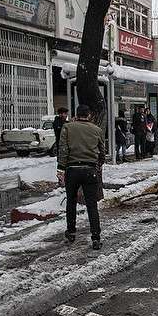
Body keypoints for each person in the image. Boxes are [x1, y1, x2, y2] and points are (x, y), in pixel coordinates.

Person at [57, 104, 106, 250]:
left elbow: (63, 149)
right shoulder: (97, 130)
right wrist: (98, 164)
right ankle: (96, 237)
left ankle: (71, 232)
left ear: (77, 114)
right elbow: (102, 151)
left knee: (71, 202)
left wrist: (61, 169)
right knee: (92, 205)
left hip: (72, 170)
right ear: (89, 115)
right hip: (90, 170)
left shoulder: (67, 128)